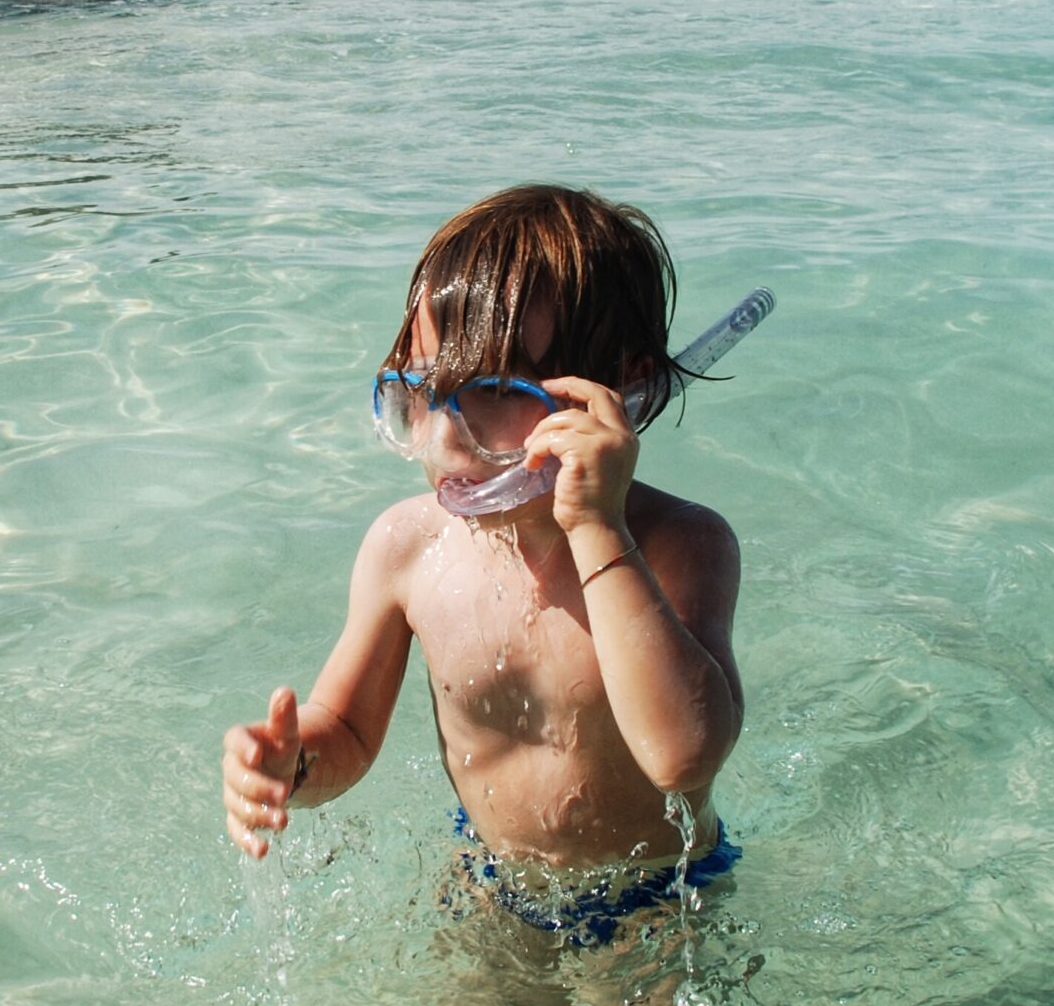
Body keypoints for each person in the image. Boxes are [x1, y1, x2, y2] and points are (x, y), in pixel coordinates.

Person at [220, 181, 745, 939]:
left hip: (659, 900)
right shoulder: (408, 549)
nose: (444, 441)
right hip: (496, 884)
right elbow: (349, 732)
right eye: (421, 395)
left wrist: (597, 527)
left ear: (618, 392)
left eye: (492, 394)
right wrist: (290, 765)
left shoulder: (678, 546)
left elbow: (682, 756)